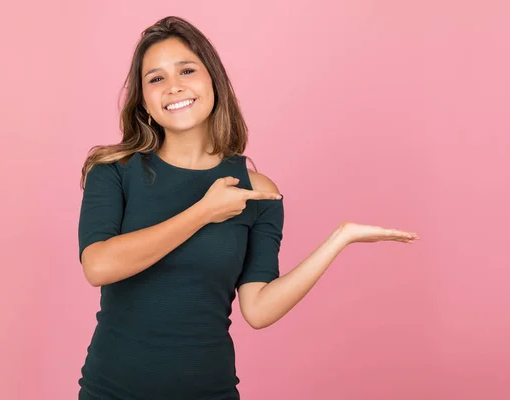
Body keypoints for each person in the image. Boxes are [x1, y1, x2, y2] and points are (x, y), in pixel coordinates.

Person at [77, 15, 419, 400]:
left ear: (213, 82)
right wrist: (203, 212)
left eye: (186, 70)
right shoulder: (114, 171)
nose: (174, 87)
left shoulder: (256, 193)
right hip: (111, 392)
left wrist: (340, 239)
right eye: (156, 78)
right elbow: (99, 265)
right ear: (144, 102)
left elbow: (258, 310)